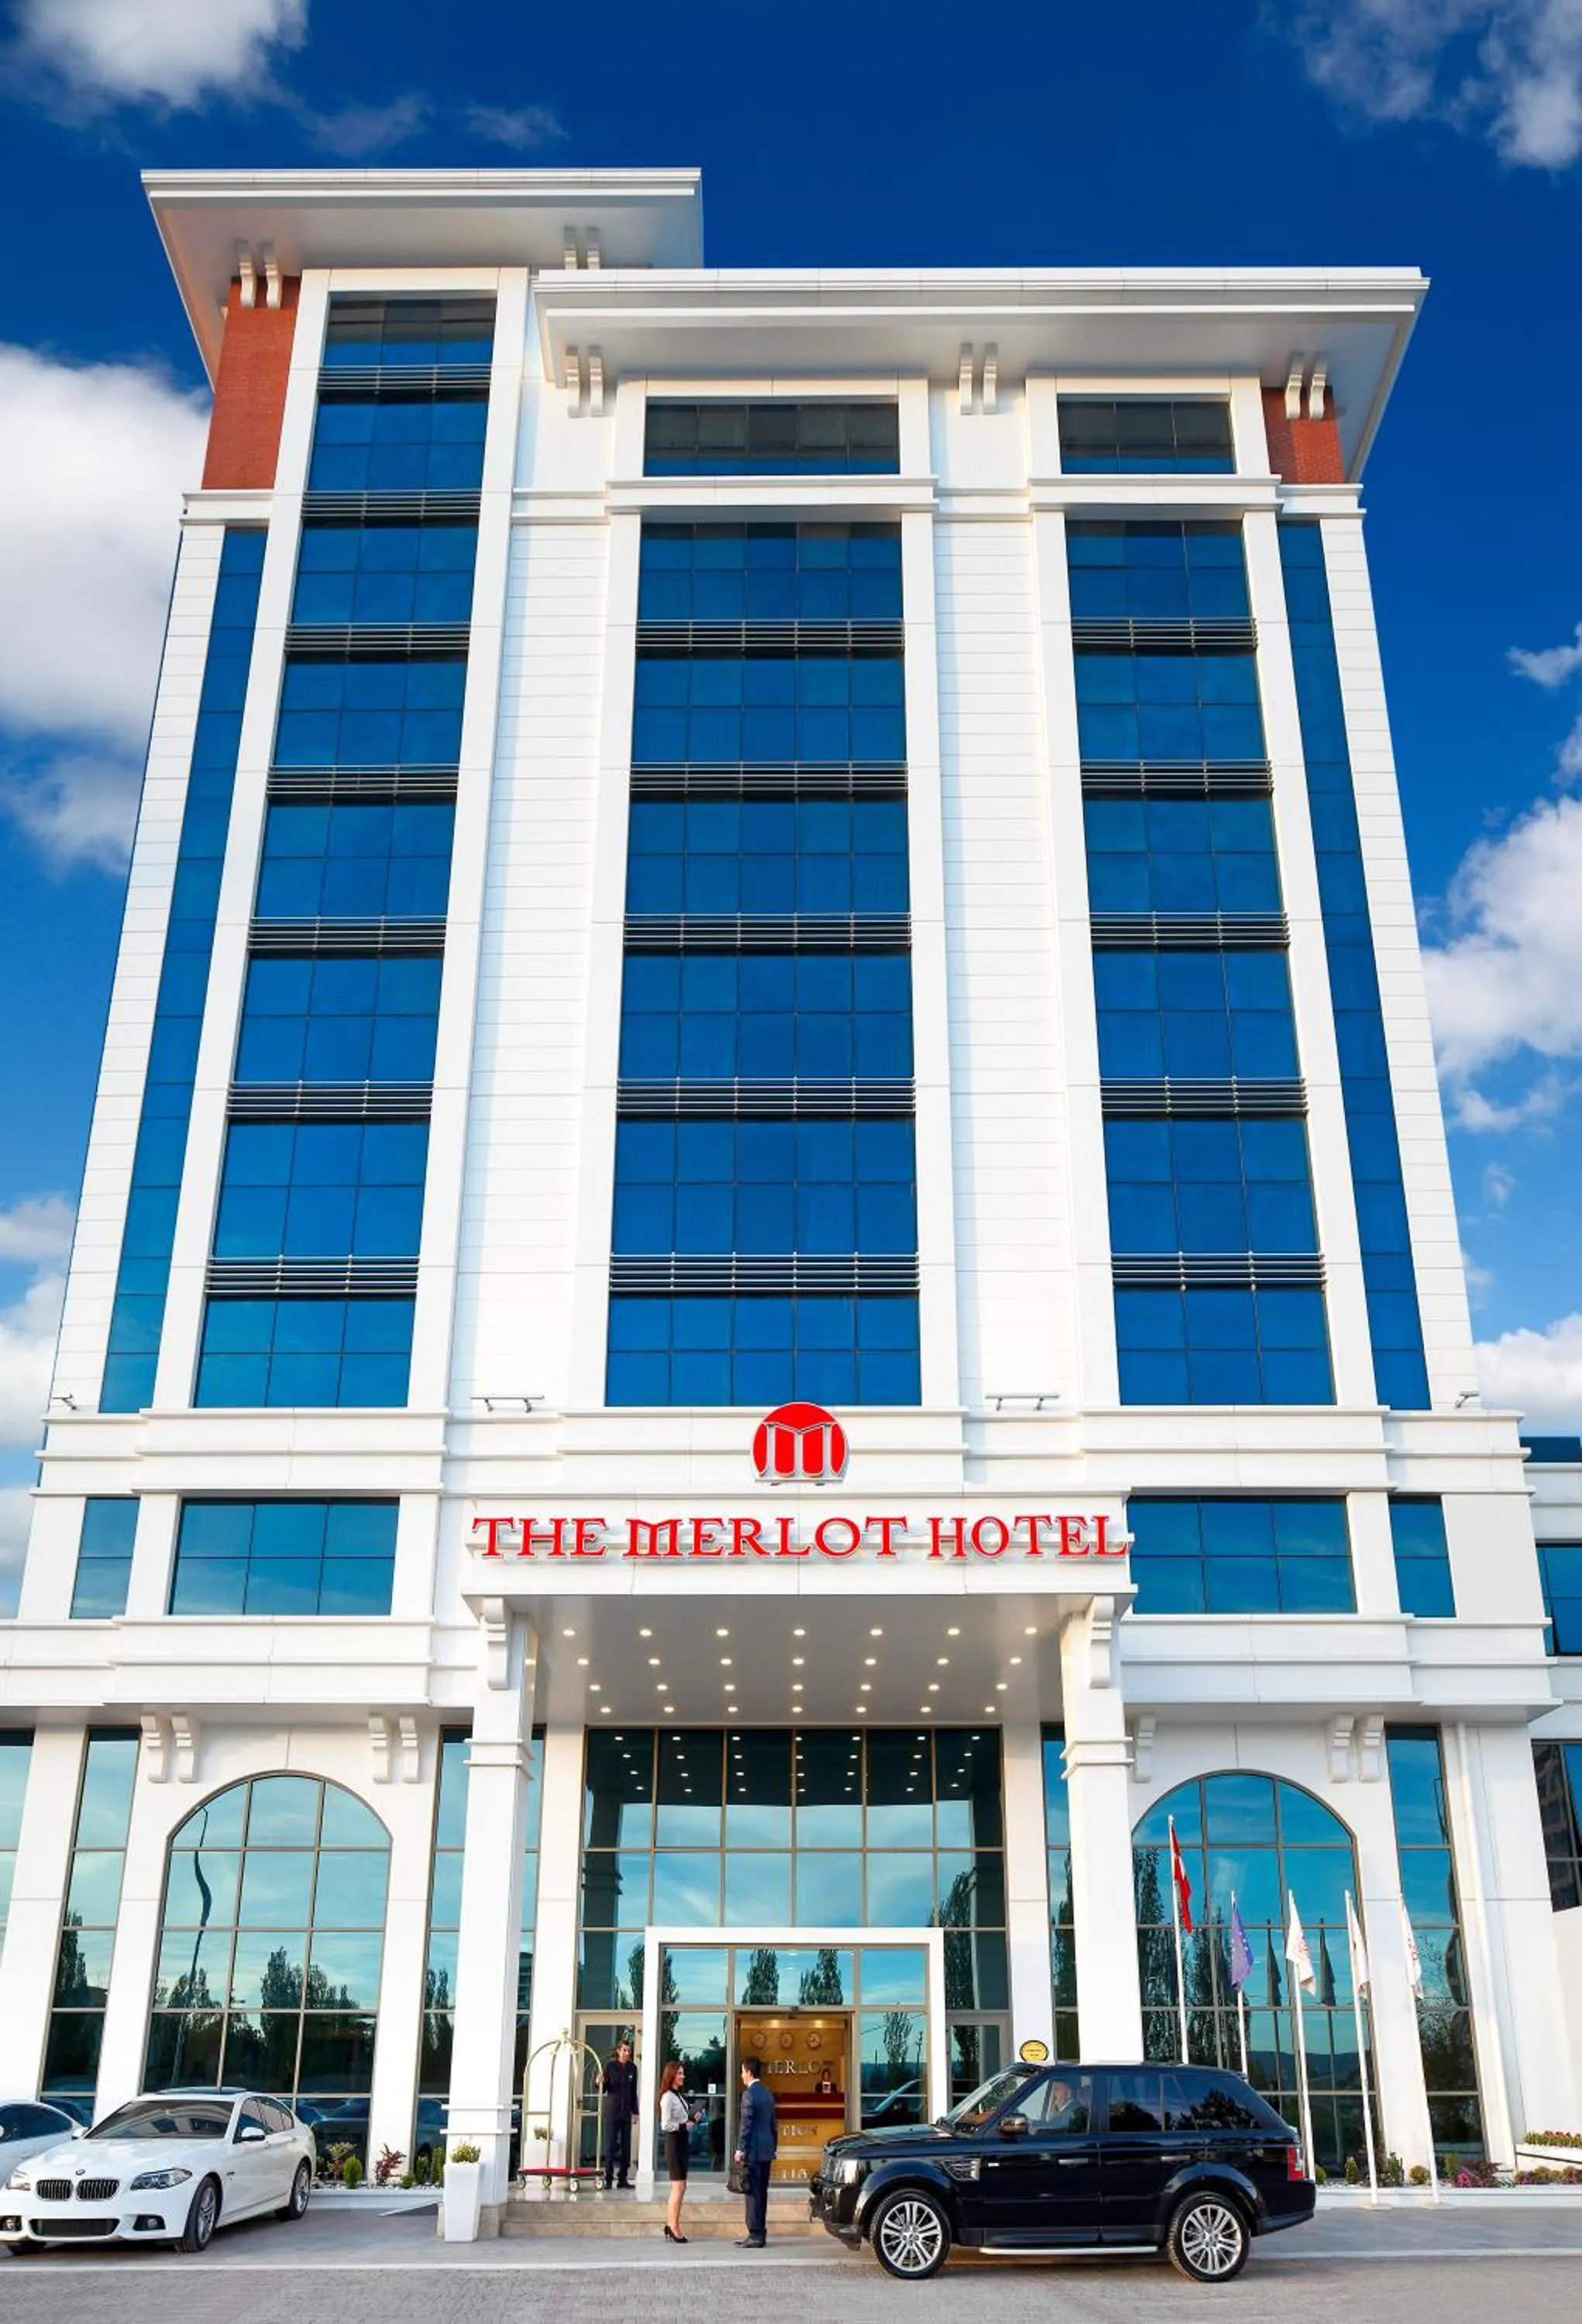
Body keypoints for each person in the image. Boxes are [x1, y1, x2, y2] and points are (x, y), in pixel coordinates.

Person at [734, 2054, 778, 2249]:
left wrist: (740, 2149)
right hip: (766, 2152)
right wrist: (773, 2147)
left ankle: (755, 2234)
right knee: (762, 2193)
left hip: (753, 2152)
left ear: (750, 2072)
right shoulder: (768, 2094)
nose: (741, 2075)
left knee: (752, 2194)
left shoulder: (749, 2095)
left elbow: (746, 2125)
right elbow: (773, 2125)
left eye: (743, 2071)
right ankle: (760, 2232)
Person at [600, 2038, 639, 2190]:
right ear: (618, 2051)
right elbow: (602, 2087)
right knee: (610, 2146)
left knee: (626, 2146)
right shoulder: (610, 2066)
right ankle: (608, 2179)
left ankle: (623, 2179)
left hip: (626, 2113)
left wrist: (635, 2112)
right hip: (612, 2112)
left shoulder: (632, 2069)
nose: (626, 2053)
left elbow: (633, 2092)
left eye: (629, 2051)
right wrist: (598, 2082)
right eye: (624, 2050)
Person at [658, 2060, 690, 2242]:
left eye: (683, 2073)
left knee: (681, 2187)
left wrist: (692, 2118)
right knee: (678, 2187)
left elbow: (683, 2119)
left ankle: (672, 2224)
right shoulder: (668, 2097)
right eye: (680, 2073)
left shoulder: (679, 2095)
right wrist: (684, 2126)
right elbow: (665, 2125)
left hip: (682, 2142)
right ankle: (673, 2226)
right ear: (672, 2075)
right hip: (674, 2143)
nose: (683, 2076)